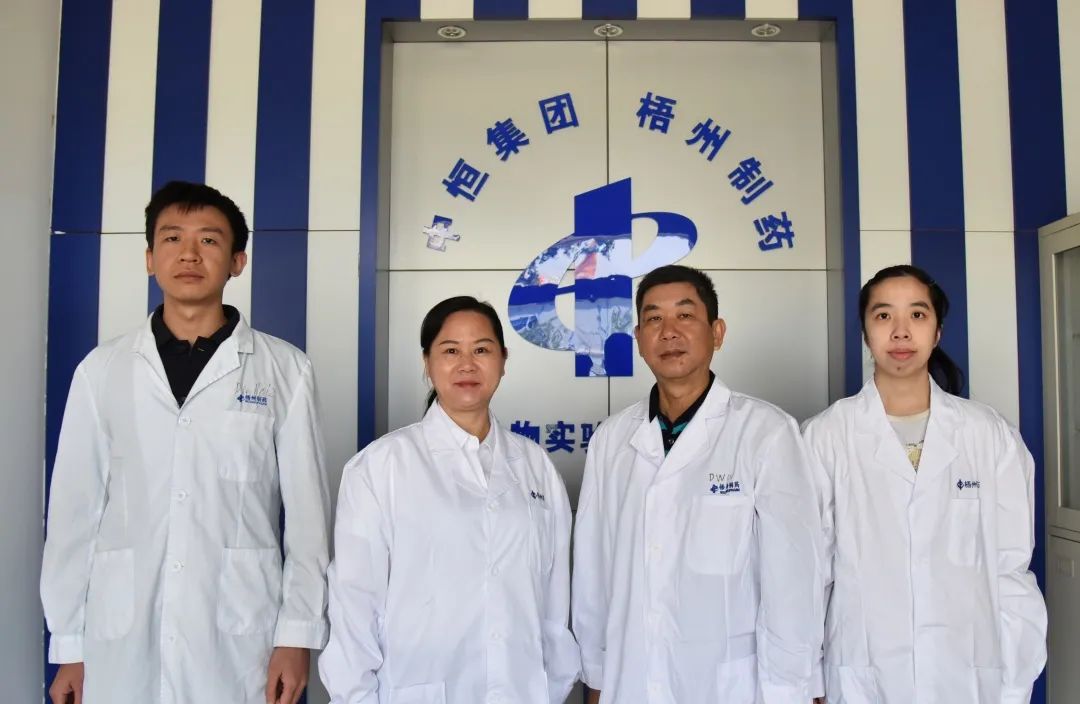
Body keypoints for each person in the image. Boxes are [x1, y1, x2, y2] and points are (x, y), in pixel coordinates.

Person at [41, 181, 331, 704]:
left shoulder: (285, 369)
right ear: (150, 258)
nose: (190, 254)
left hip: (238, 635)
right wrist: (69, 644)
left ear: (238, 262)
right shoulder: (102, 370)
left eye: (209, 240)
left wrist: (297, 637)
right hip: (120, 636)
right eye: (172, 238)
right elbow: (73, 512)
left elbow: (308, 517)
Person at [572, 264, 823, 703]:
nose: (668, 331)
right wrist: (596, 679)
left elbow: (794, 579)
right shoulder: (612, 440)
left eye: (685, 315)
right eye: (654, 319)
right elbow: (594, 575)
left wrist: (793, 689)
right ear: (639, 340)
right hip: (631, 681)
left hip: (729, 684)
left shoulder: (765, 432)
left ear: (717, 332)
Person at [802, 264, 1047, 703]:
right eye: (883, 316)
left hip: (969, 673)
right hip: (862, 671)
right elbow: (807, 572)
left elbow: (1011, 569)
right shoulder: (825, 436)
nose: (900, 332)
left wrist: (1014, 682)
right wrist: (809, 679)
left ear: (937, 332)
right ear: (865, 333)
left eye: (917, 315)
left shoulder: (988, 434)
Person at [319, 296, 580, 703]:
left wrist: (554, 687)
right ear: (427, 362)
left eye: (482, 350)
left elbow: (553, 602)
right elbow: (355, 605)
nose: (467, 365)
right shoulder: (381, 466)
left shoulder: (536, 467)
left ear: (503, 360)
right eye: (451, 351)